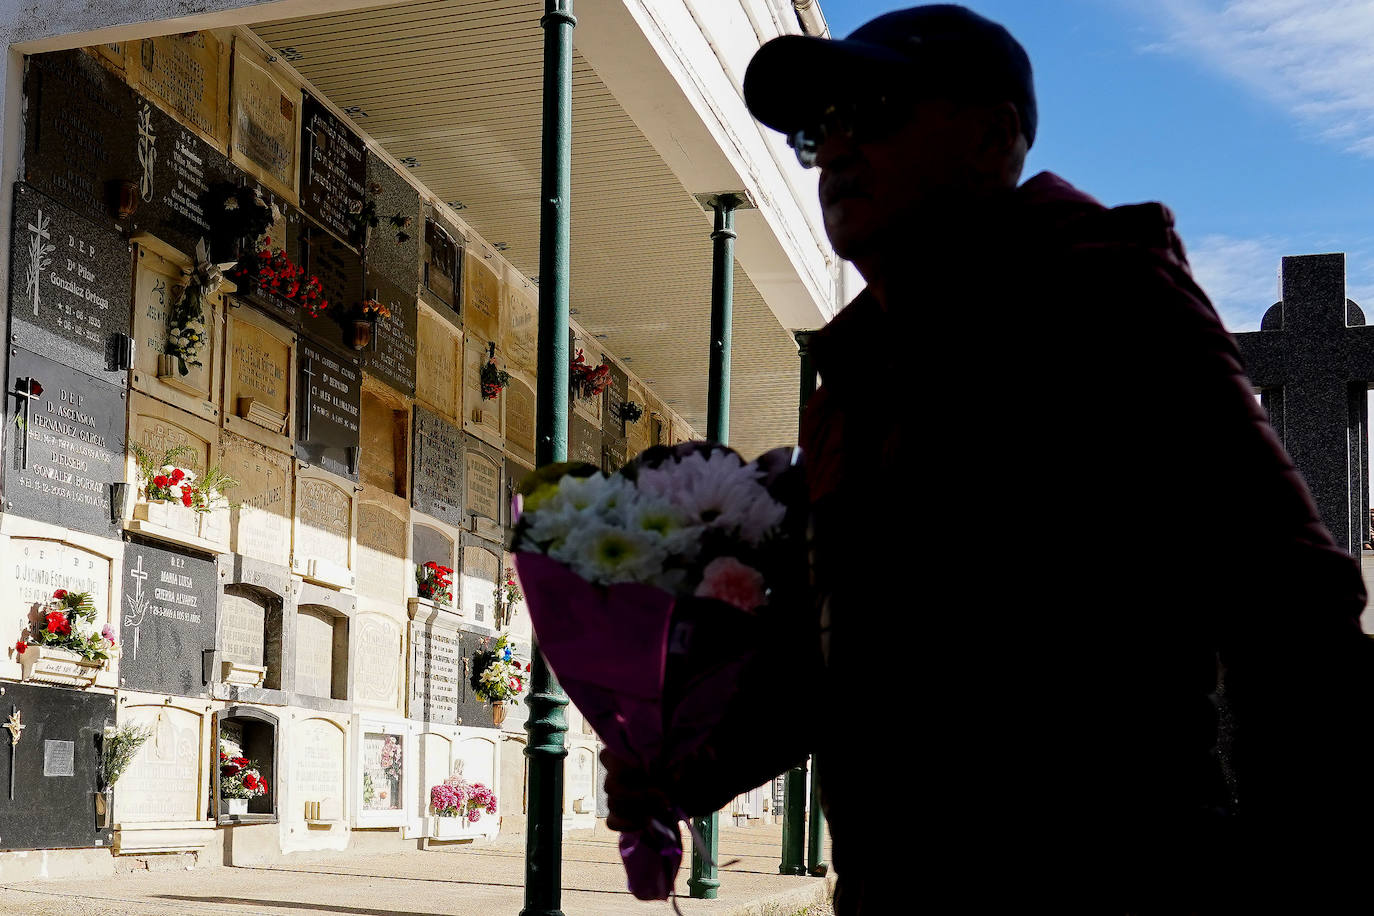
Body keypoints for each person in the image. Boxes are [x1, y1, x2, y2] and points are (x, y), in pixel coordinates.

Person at [605, 6, 1374, 912]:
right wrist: (683, 766)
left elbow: (1291, 602)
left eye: (876, 110)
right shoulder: (850, 387)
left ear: (992, 136)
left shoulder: (1107, 302)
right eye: (824, 129)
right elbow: (826, 659)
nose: (840, 149)